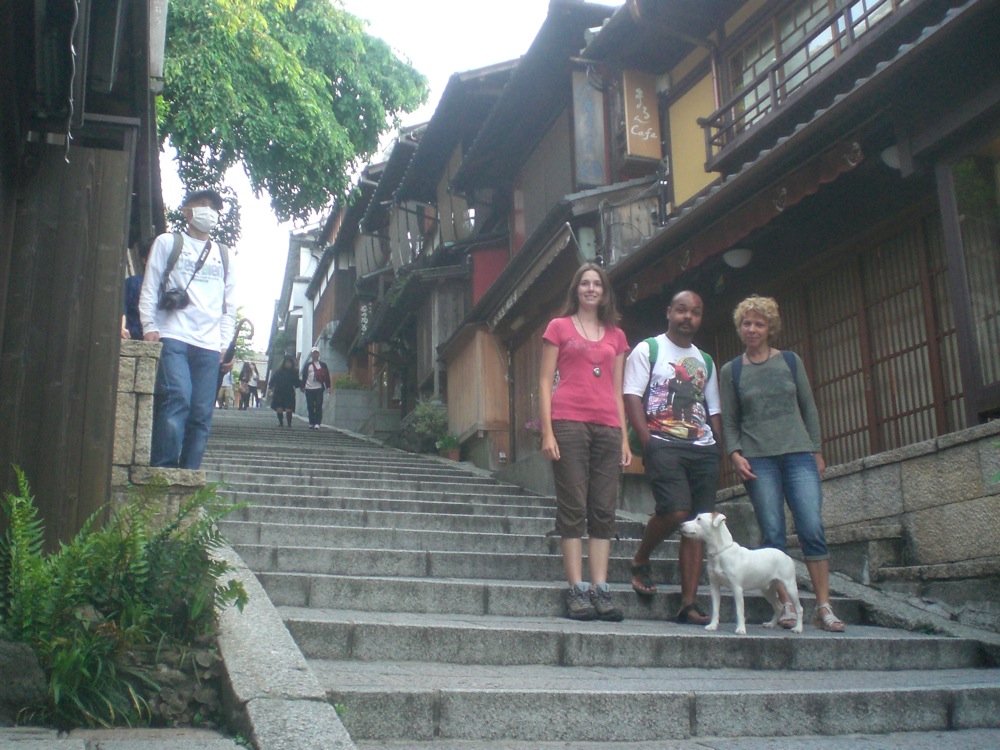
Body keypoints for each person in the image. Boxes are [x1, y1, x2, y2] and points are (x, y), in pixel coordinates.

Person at [720, 295, 845, 632]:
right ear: (740, 327)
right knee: (773, 532)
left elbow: (809, 406)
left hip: (798, 454)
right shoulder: (731, 371)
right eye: (747, 323)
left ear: (770, 327)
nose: (752, 329)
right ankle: (787, 605)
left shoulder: (790, 361)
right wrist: (735, 454)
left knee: (811, 527)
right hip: (758, 459)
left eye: (759, 323)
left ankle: (823, 605)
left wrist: (817, 450)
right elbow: (730, 422)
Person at [539, 262, 631, 622]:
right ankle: (576, 590)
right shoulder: (558, 327)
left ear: (605, 292)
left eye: (597, 284)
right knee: (573, 506)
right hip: (568, 423)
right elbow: (545, 381)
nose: (591, 289)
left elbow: (617, 389)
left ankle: (601, 588)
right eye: (585, 283)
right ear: (576, 289)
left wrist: (624, 438)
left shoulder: (616, 335)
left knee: (604, 509)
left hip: (608, 427)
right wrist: (546, 431)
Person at [623, 290, 721, 625]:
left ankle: (688, 604)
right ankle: (640, 557)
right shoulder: (648, 349)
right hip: (662, 441)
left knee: (698, 525)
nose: (687, 317)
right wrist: (648, 441)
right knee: (676, 510)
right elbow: (632, 396)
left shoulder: (705, 361)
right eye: (681, 310)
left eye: (695, 312)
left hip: (702, 447)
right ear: (669, 312)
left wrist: (721, 446)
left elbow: (714, 409)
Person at [139, 188, 236, 469]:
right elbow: (150, 286)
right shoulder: (168, 243)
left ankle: (189, 474)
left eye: (214, 207)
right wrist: (149, 326)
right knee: (178, 396)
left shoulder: (225, 255)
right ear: (186, 211)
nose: (209, 211)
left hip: (208, 344)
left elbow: (228, 305)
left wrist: (224, 344)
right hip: (172, 334)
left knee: (202, 412)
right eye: (203, 205)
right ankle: (164, 471)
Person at [300, 347, 331, 429]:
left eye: (316, 353)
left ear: (319, 354)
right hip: (309, 388)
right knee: (310, 406)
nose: (315, 354)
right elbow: (304, 377)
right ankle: (311, 422)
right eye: (313, 353)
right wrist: (302, 386)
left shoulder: (323, 365)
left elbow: (327, 376)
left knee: (318, 405)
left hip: (319, 388)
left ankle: (317, 423)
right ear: (311, 354)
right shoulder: (307, 365)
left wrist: (328, 387)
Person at [269, 355, 300, 428]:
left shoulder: (294, 372)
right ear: (284, 363)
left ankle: (289, 424)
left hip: (289, 392)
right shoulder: (279, 371)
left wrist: (302, 385)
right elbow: (272, 380)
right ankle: (281, 422)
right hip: (279, 391)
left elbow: (296, 382)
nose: (288, 364)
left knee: (289, 408)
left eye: (289, 363)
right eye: (287, 363)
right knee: (279, 408)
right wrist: (270, 388)